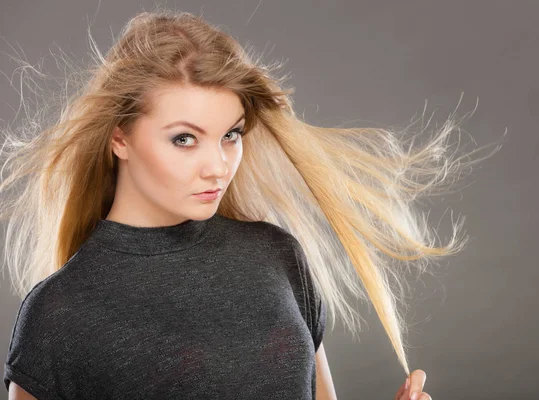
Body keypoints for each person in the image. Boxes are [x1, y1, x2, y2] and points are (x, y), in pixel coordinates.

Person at [0, 8, 501, 400]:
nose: (218, 166)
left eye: (231, 135)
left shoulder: (275, 256)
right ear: (120, 139)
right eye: (184, 139)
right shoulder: (59, 313)